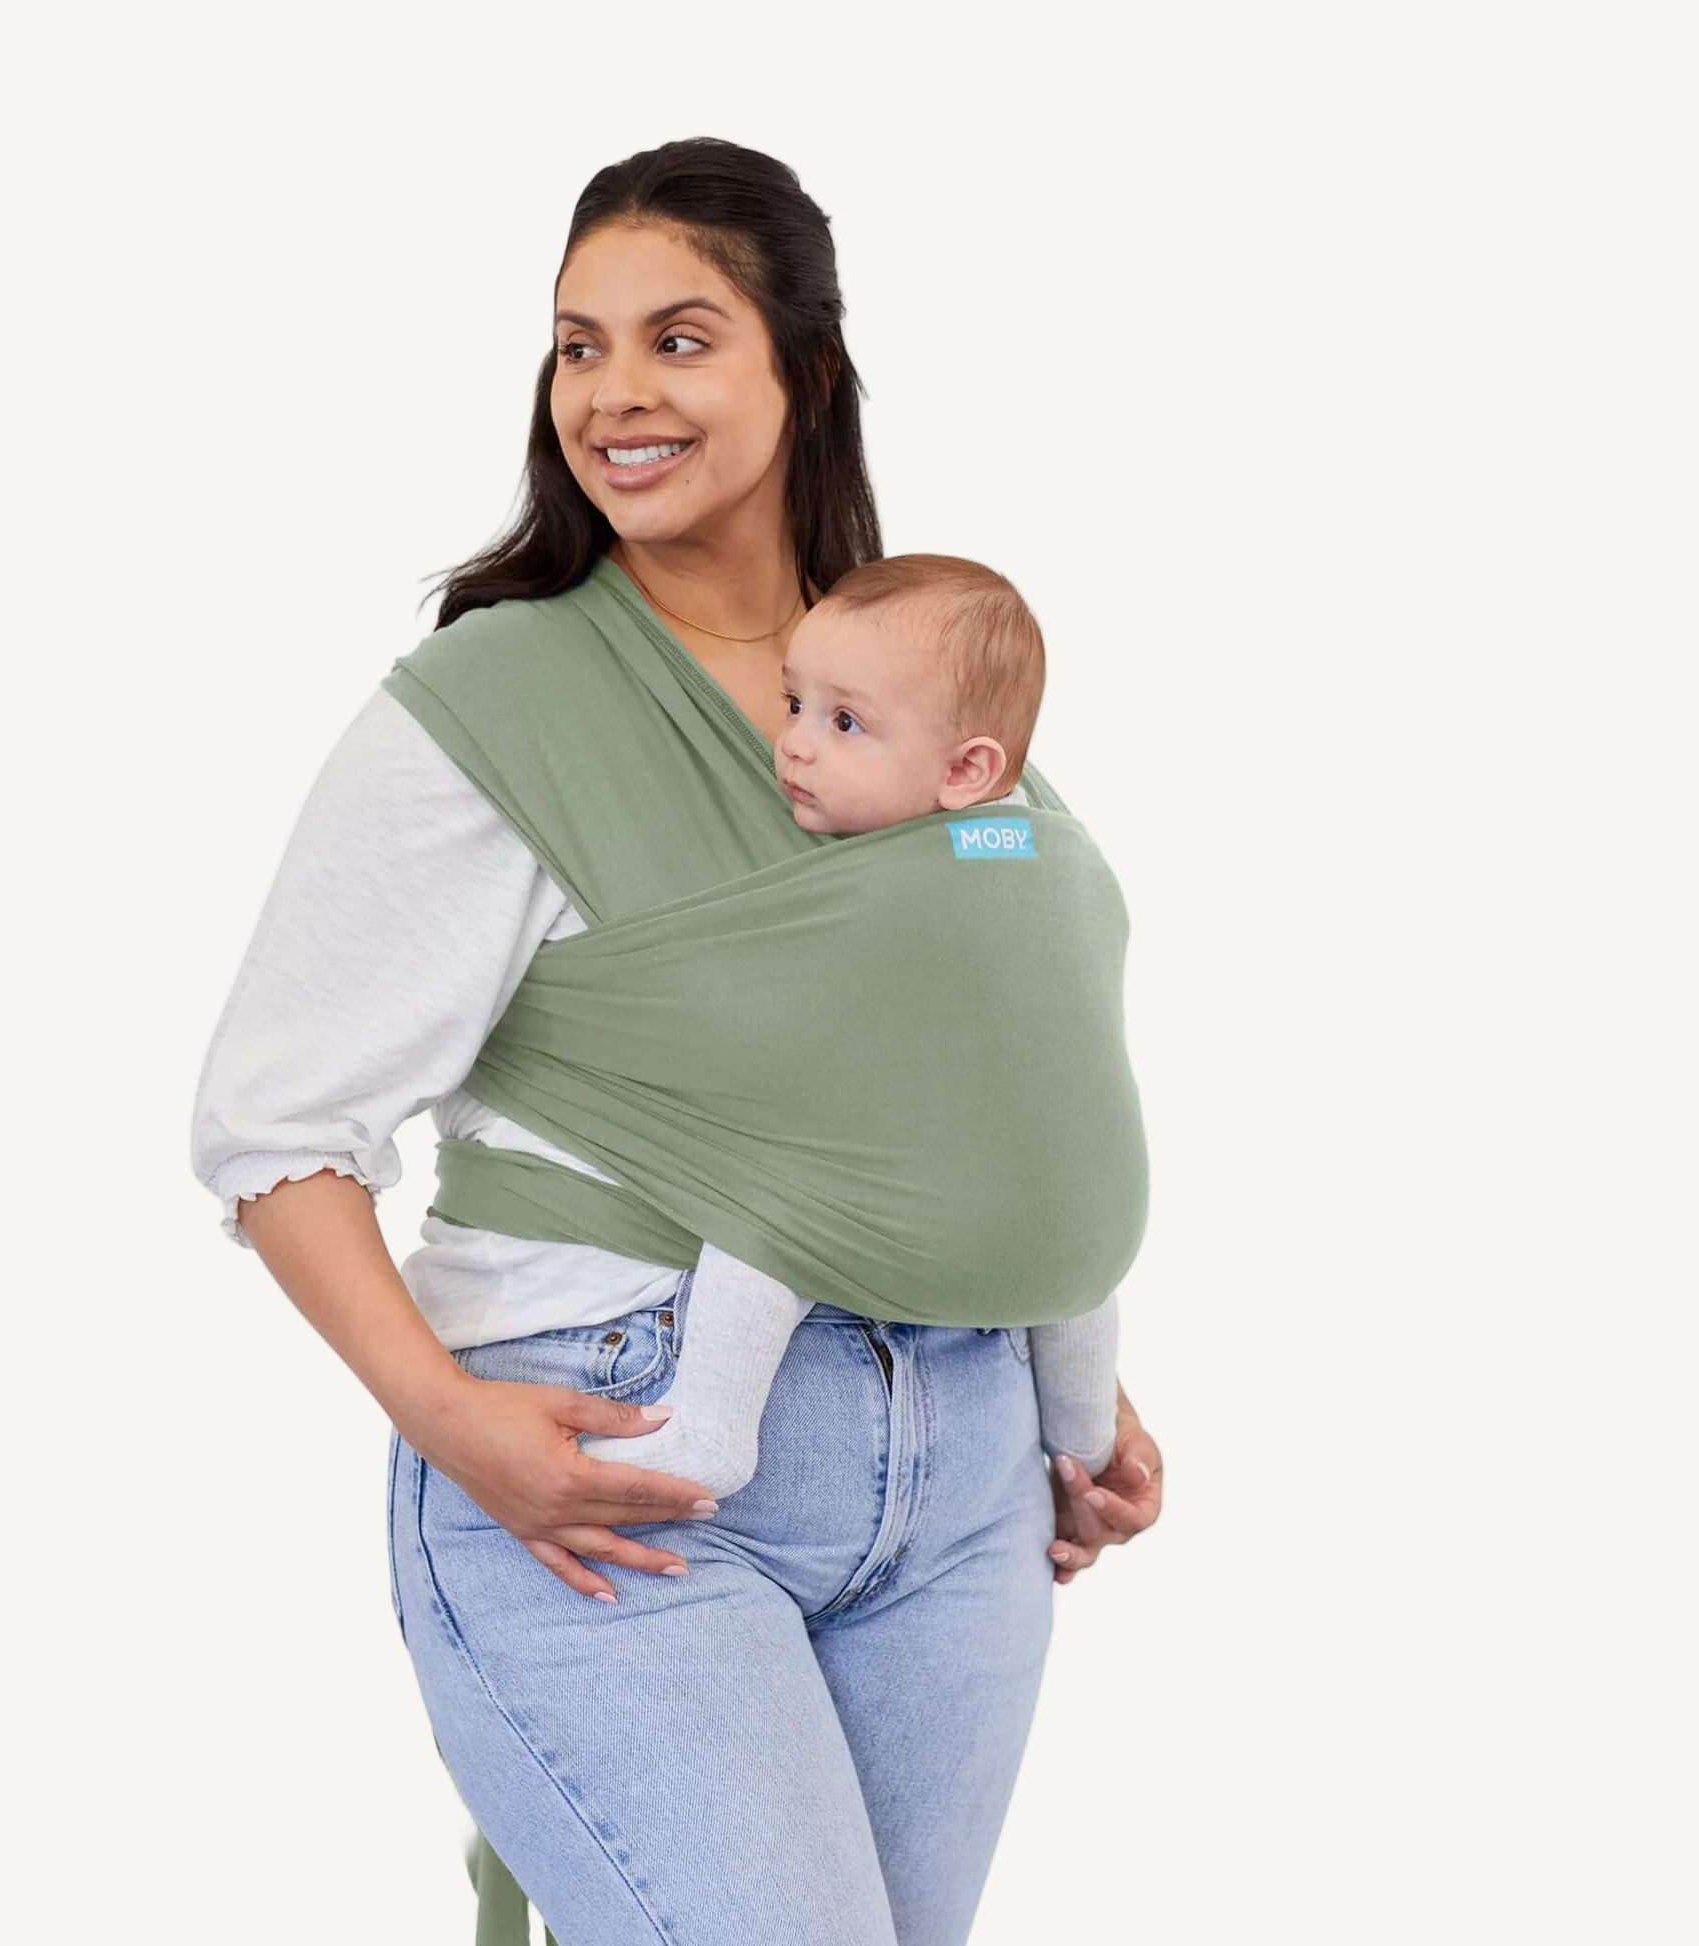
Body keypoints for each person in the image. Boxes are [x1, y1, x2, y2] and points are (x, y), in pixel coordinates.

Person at [191, 137, 1163, 1946]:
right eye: (579, 345)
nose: (613, 392)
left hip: (960, 1478)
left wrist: (1069, 1385)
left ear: (807, 372)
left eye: (679, 339)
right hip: (623, 1459)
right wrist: (452, 1424)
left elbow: (970, 1070)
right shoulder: (497, 704)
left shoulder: (925, 689)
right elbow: (275, 1131)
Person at [576, 547, 1124, 1502]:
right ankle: (1086, 1447)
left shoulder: (883, 894)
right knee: (1074, 1262)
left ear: (966, 769)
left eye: (845, 723)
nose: (793, 743)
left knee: (762, 1225)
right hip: (1077, 1242)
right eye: (794, 704)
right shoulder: (1045, 852)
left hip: (905, 1217)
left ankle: (707, 1434)